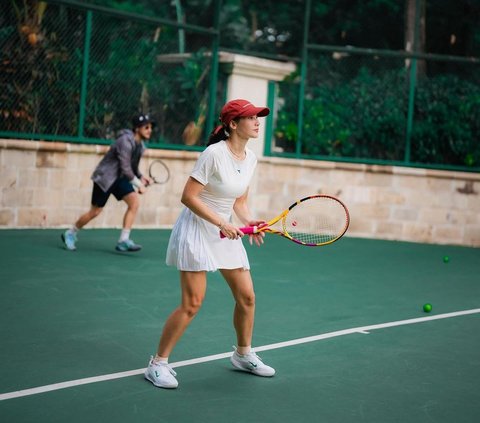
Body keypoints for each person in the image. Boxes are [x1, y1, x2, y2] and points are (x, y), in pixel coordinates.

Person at [144, 99, 275, 389]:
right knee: (192, 303)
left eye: (258, 117)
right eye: (250, 117)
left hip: (224, 230)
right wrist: (222, 223)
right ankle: (157, 364)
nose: (257, 122)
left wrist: (249, 222)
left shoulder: (250, 158)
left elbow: (238, 200)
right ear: (232, 124)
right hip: (197, 230)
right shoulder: (213, 154)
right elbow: (188, 197)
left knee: (247, 297)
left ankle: (243, 355)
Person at [61, 113, 154, 252]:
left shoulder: (140, 146)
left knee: (134, 202)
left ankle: (123, 240)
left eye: (151, 127)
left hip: (120, 179)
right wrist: (139, 184)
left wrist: (141, 177)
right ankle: (71, 232)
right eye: (146, 127)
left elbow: (132, 167)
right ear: (137, 128)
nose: (149, 130)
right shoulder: (125, 141)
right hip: (105, 178)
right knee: (95, 211)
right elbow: (125, 167)